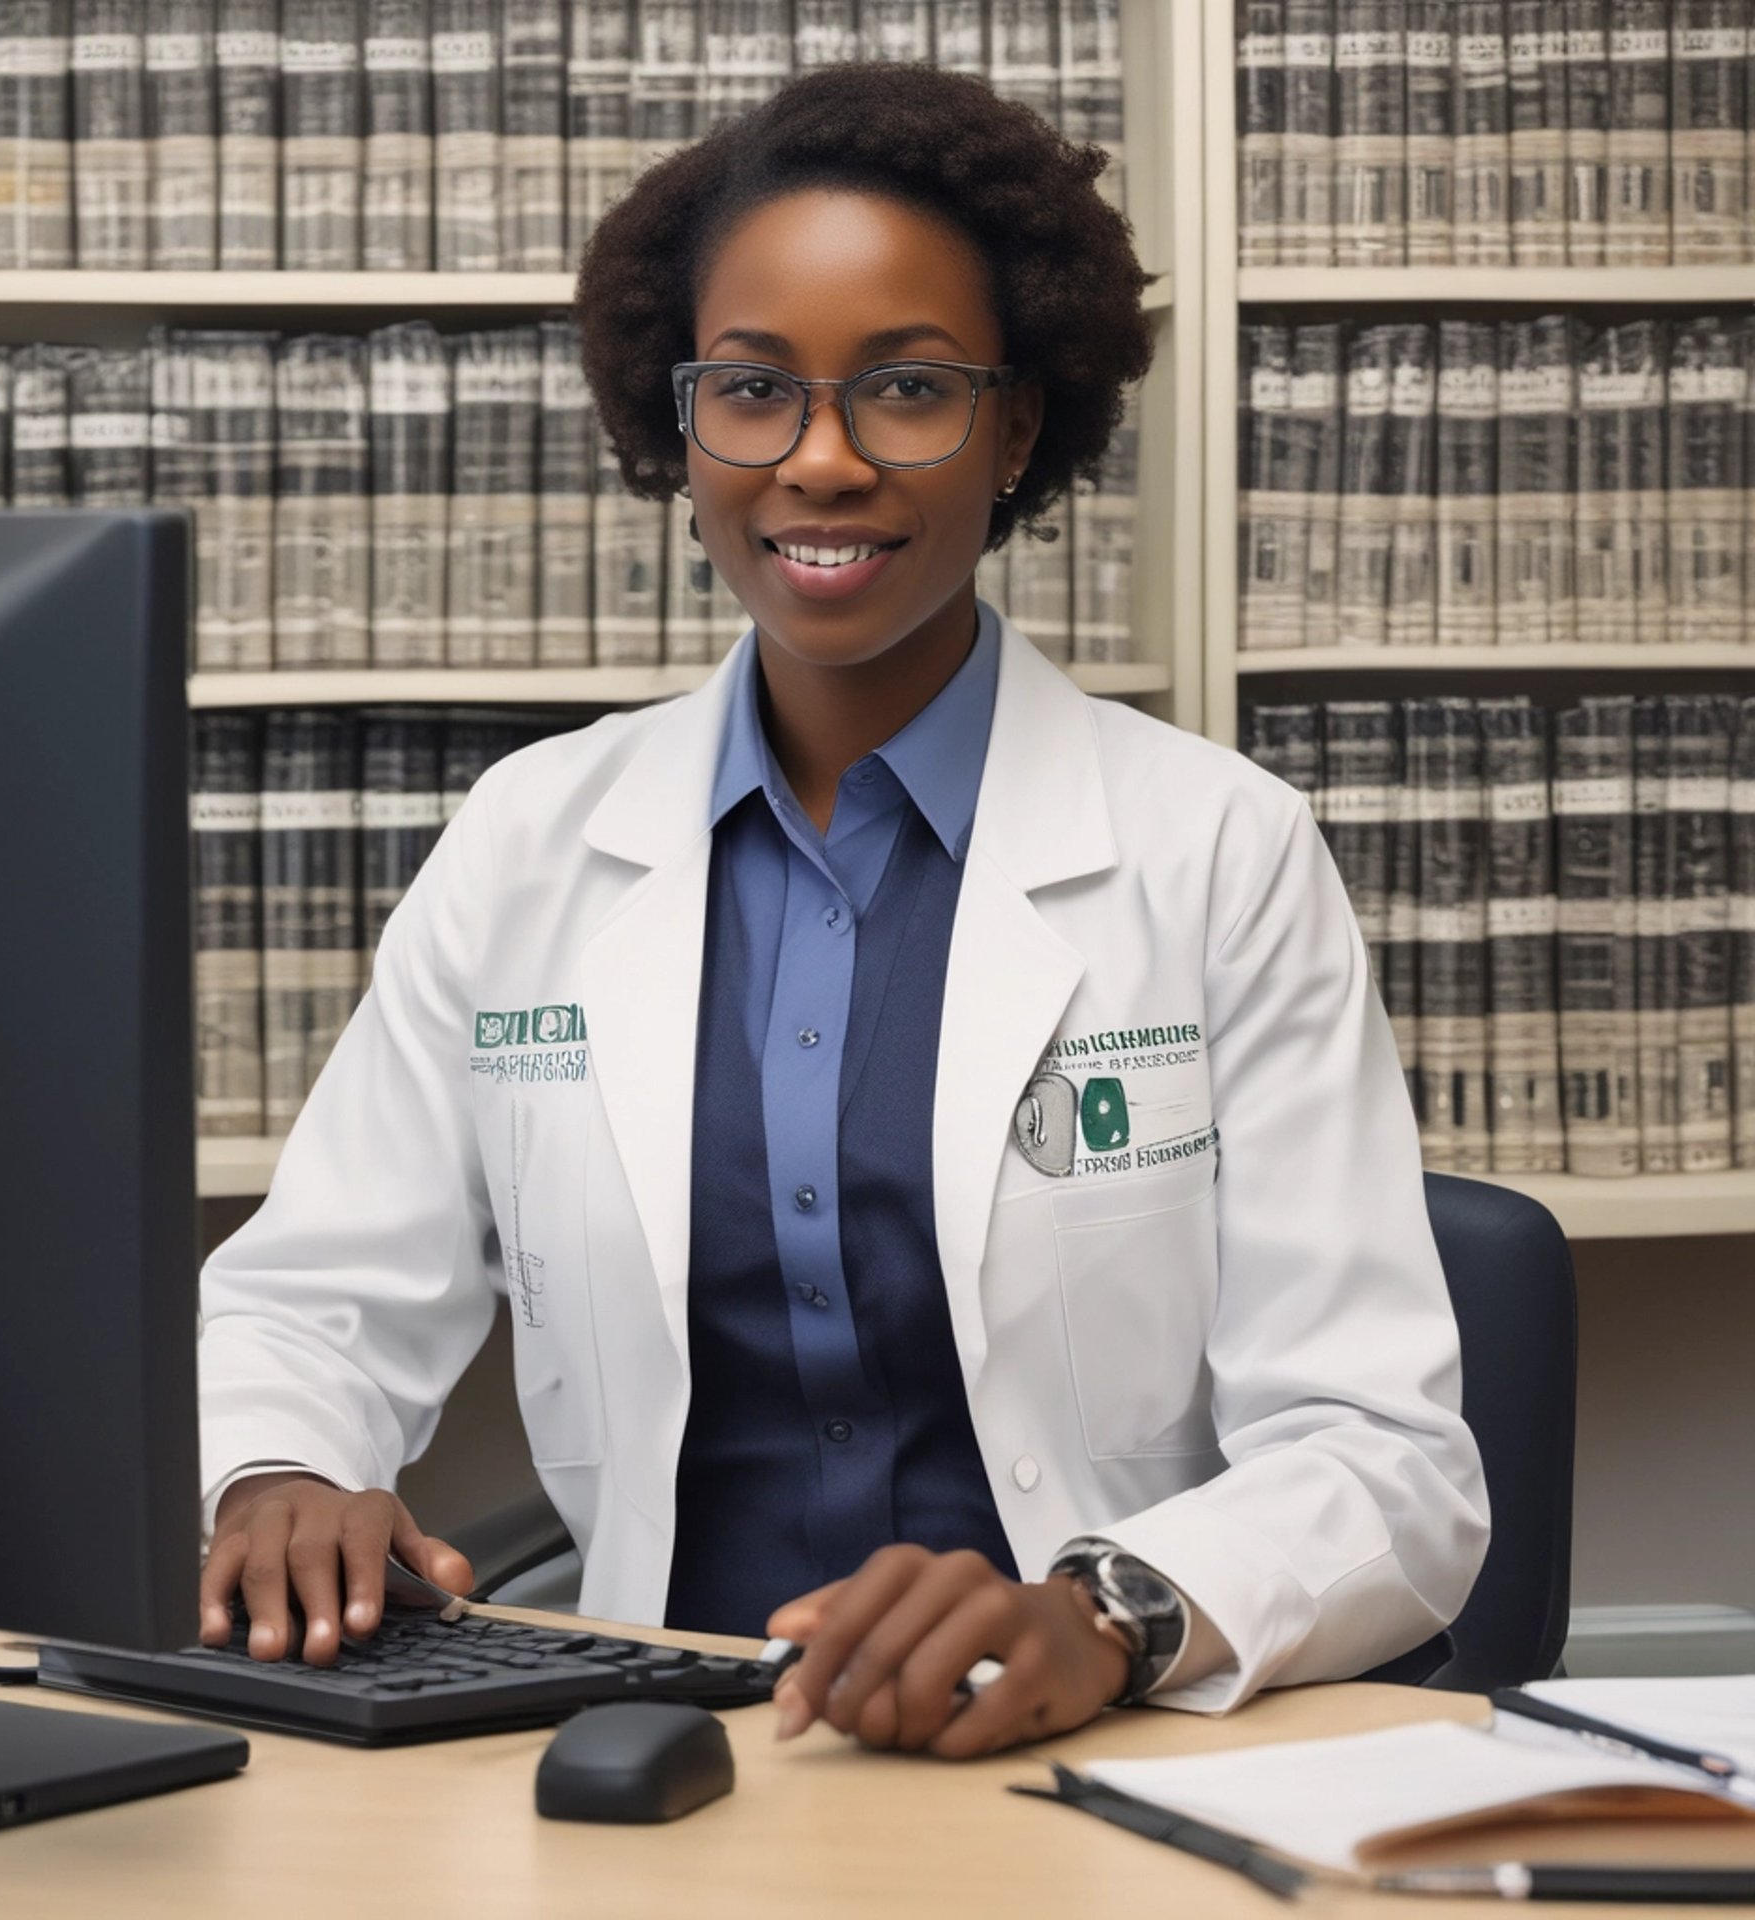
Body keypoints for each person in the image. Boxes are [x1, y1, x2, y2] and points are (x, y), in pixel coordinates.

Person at [197, 63, 1489, 1759]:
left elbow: (1388, 1460)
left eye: (908, 389)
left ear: (1017, 427)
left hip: (1080, 1754)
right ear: (680, 427)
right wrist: (284, 1468)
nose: (821, 461)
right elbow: (317, 1296)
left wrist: (1110, 1609)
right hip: (650, 1743)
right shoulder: (531, 842)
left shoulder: (1218, 855)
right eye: (753, 390)